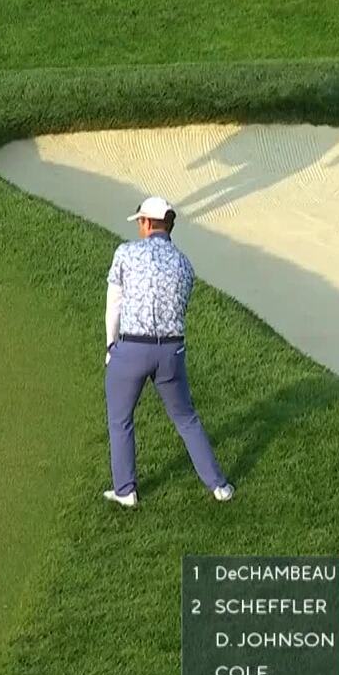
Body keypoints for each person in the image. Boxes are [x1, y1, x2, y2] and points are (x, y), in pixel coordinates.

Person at [103, 197, 235, 508]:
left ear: (148, 223)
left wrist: (111, 345)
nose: (139, 226)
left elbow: (114, 305)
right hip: (171, 352)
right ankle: (219, 486)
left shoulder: (126, 253)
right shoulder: (185, 264)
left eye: (140, 221)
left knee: (120, 420)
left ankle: (126, 491)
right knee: (186, 418)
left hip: (132, 349)